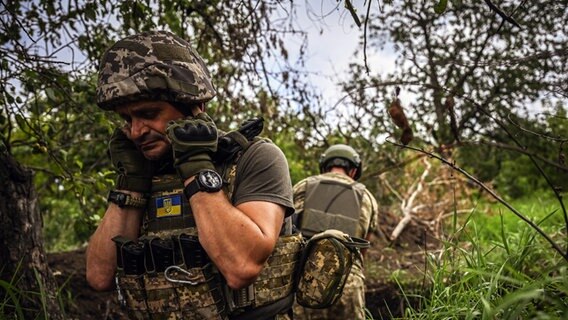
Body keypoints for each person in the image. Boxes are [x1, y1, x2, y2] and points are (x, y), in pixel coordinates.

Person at [85, 30, 303, 320]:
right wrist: (131, 184)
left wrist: (196, 168)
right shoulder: (145, 171)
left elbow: (242, 266)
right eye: (127, 119)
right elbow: (99, 277)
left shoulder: (254, 158)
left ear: (193, 106)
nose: (136, 132)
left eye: (148, 113)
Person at [292, 144, 379, 320]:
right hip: (347, 282)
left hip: (303, 280)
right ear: (353, 170)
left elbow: (285, 232)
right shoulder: (368, 198)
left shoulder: (302, 187)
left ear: (325, 166)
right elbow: (362, 250)